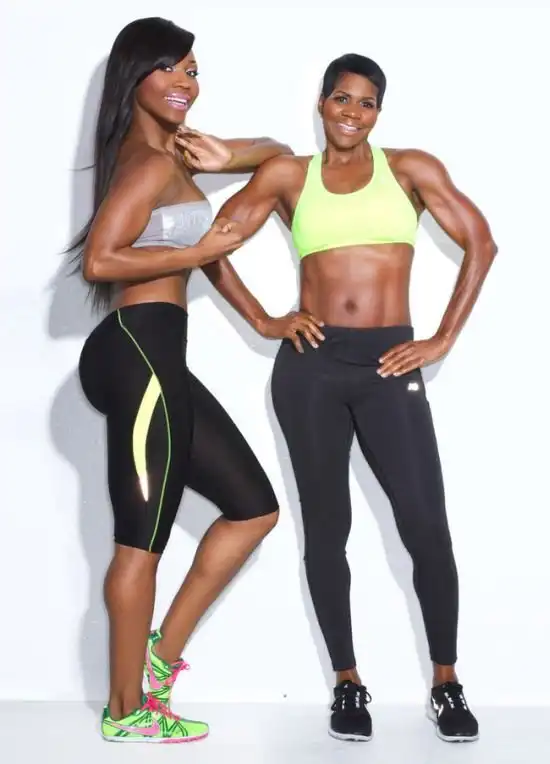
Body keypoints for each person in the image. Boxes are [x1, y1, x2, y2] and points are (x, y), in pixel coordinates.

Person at [203, 53, 497, 744]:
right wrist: (263, 319)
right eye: (342, 98)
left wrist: (442, 338)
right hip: (312, 369)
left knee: (425, 524)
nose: (352, 113)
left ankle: (446, 682)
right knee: (328, 528)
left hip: (391, 363)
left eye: (366, 103)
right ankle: (347, 681)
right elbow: (211, 244)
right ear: (322, 101)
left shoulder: (411, 169)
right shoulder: (287, 176)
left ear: (378, 112)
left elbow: (481, 243)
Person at [68, 16, 319, 744]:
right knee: (140, 542)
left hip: (157, 355)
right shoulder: (144, 165)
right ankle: (125, 710)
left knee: (252, 507)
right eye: (169, 68)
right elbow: (101, 261)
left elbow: (278, 155)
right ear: (134, 77)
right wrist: (201, 248)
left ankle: (159, 655)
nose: (185, 82)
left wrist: (264, 319)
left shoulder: (172, 155)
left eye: (192, 70)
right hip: (136, 350)